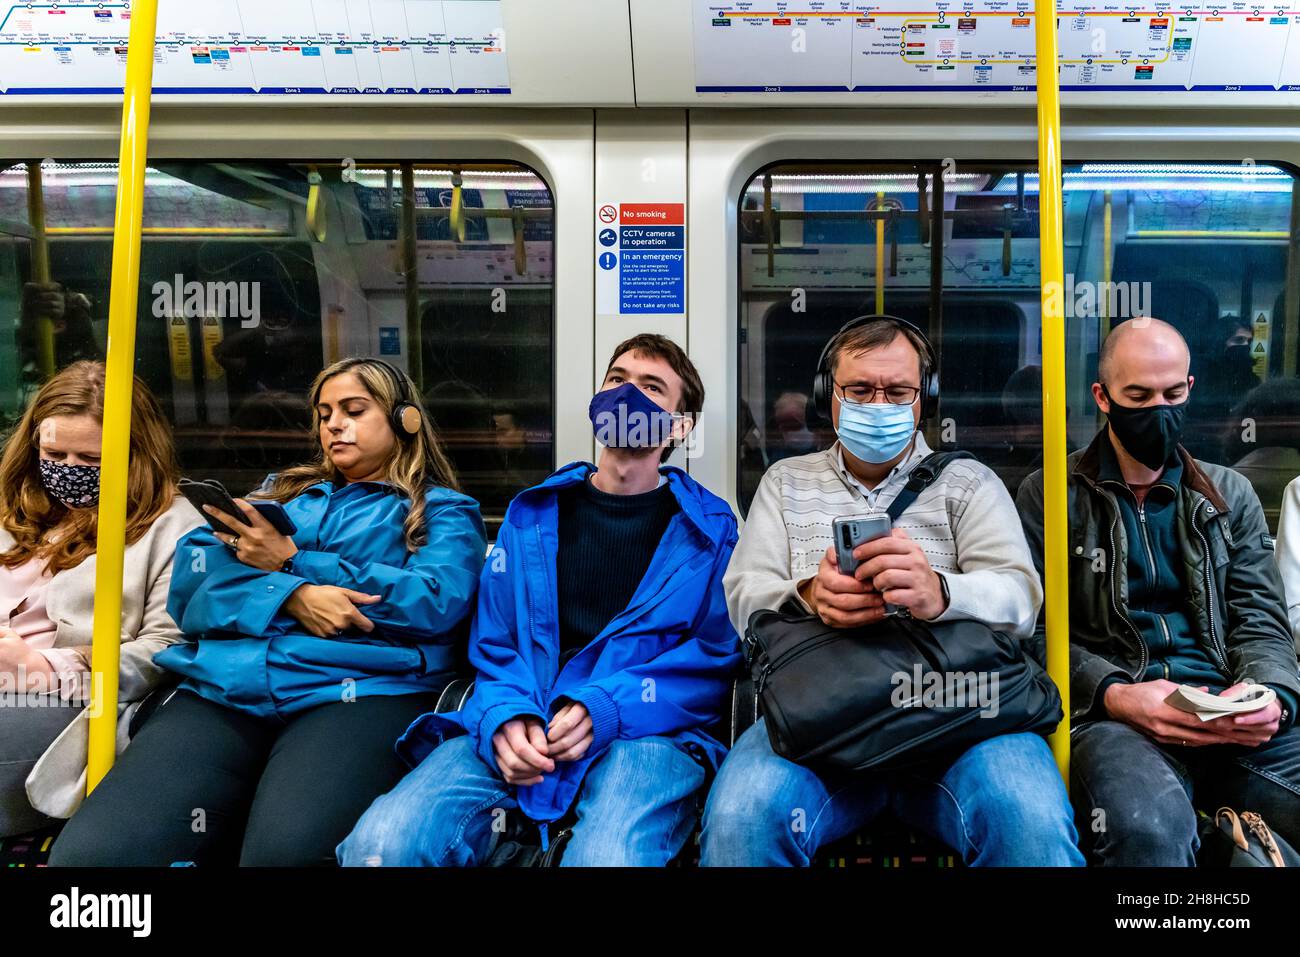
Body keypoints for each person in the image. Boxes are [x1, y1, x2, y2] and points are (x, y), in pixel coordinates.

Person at [49, 357, 487, 866]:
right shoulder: (282, 493)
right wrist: (296, 597)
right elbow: (193, 590)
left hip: (358, 691)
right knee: (90, 858)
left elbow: (434, 603)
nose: (334, 425)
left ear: (405, 419)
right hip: (226, 686)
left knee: (283, 856)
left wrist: (293, 561)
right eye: (324, 414)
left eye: (353, 410)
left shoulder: (440, 510)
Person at [338, 334, 740, 867]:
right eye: (616, 380)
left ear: (681, 427)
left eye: (650, 388)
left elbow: (711, 662)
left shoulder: (709, 533)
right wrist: (504, 715)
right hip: (523, 715)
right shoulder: (532, 516)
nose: (626, 397)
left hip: (648, 734)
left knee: (607, 860)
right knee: (382, 845)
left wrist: (610, 708)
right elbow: (496, 643)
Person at [701, 315, 1083, 867]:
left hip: (960, 714)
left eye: (897, 391)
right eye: (859, 390)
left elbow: (1020, 599)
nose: (878, 405)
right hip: (820, 719)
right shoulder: (786, 482)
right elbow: (742, 595)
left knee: (1029, 819)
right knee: (743, 817)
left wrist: (940, 592)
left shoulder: (968, 483)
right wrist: (810, 594)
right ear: (826, 396)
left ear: (922, 398)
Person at [1017, 318, 1300, 866]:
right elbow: (1032, 632)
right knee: (1147, 830)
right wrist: (1114, 693)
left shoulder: (1230, 494)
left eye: (1173, 394)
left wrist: (1270, 696)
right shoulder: (1051, 495)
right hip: (1116, 717)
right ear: (1102, 397)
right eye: (1138, 396)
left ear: (1190, 389)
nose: (1159, 411)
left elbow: (1261, 621)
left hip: (1224, 706)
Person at [0, 360, 202, 837]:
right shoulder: (13, 505)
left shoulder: (175, 528)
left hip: (66, 697)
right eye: (55, 454)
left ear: (136, 455)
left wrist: (43, 667)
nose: (70, 471)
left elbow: (167, 650)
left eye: (91, 460)